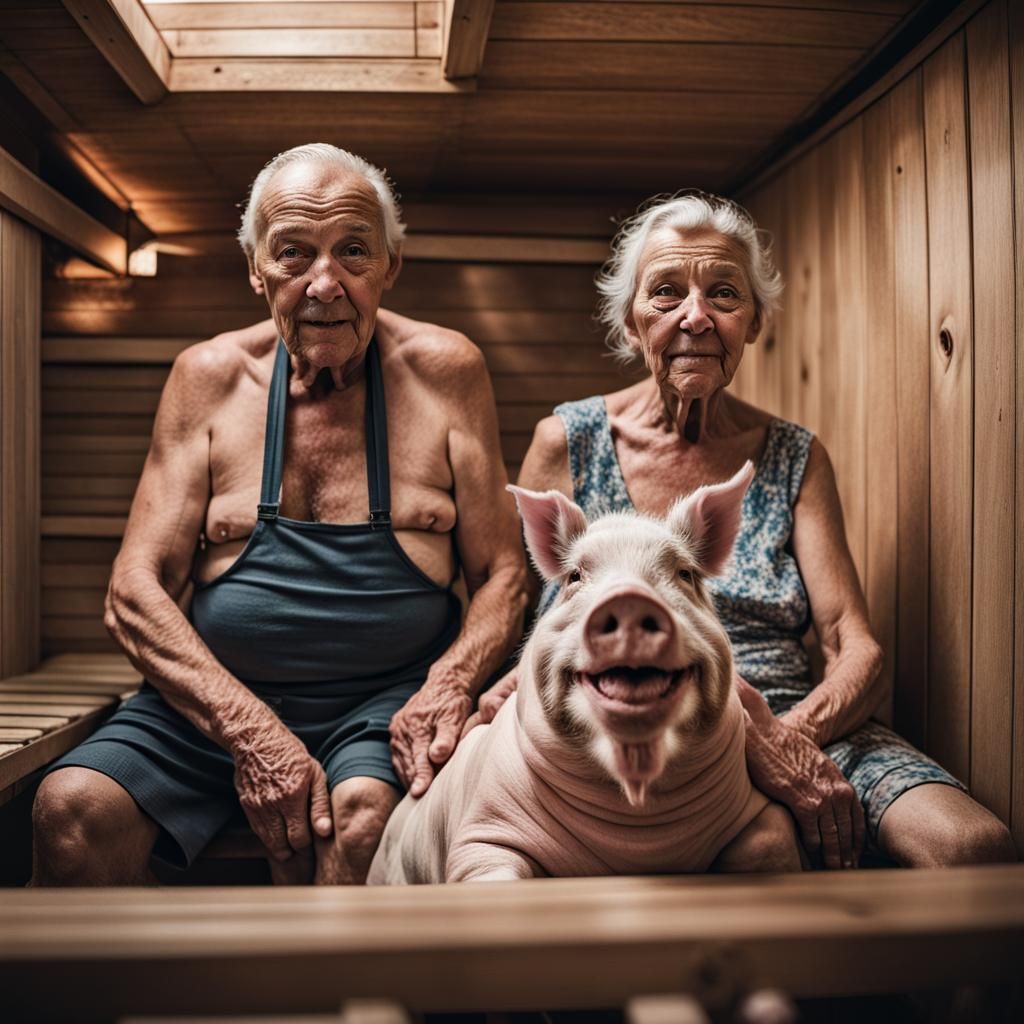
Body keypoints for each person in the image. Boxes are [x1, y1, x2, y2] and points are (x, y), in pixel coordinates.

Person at [31, 144, 527, 885]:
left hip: (387, 704)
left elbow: (504, 573)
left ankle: (328, 999)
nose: (324, 282)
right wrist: (249, 730)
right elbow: (134, 591)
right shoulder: (207, 378)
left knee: (365, 820)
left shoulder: (448, 371)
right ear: (256, 269)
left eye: (352, 251)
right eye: (293, 253)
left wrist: (448, 686)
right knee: (70, 810)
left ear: (391, 265)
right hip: (217, 701)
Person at [475, 192, 1017, 869]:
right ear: (630, 319)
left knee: (971, 848)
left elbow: (856, 647)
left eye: (723, 294)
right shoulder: (568, 442)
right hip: (625, 715)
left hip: (797, 719)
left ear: (753, 321)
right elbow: (522, 611)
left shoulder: (794, 457)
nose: (695, 317)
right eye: (667, 293)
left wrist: (781, 737)